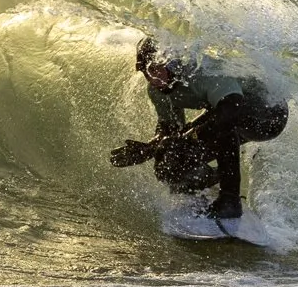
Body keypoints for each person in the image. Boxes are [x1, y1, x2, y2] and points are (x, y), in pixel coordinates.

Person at [110, 37, 288, 220]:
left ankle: (230, 200)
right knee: (169, 157)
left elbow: (231, 111)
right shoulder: (157, 90)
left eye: (155, 70)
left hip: (268, 115)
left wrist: (191, 136)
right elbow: (170, 133)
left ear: (173, 64)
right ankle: (208, 179)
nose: (151, 78)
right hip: (225, 113)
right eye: (145, 71)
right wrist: (148, 149)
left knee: (221, 128)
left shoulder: (204, 74)